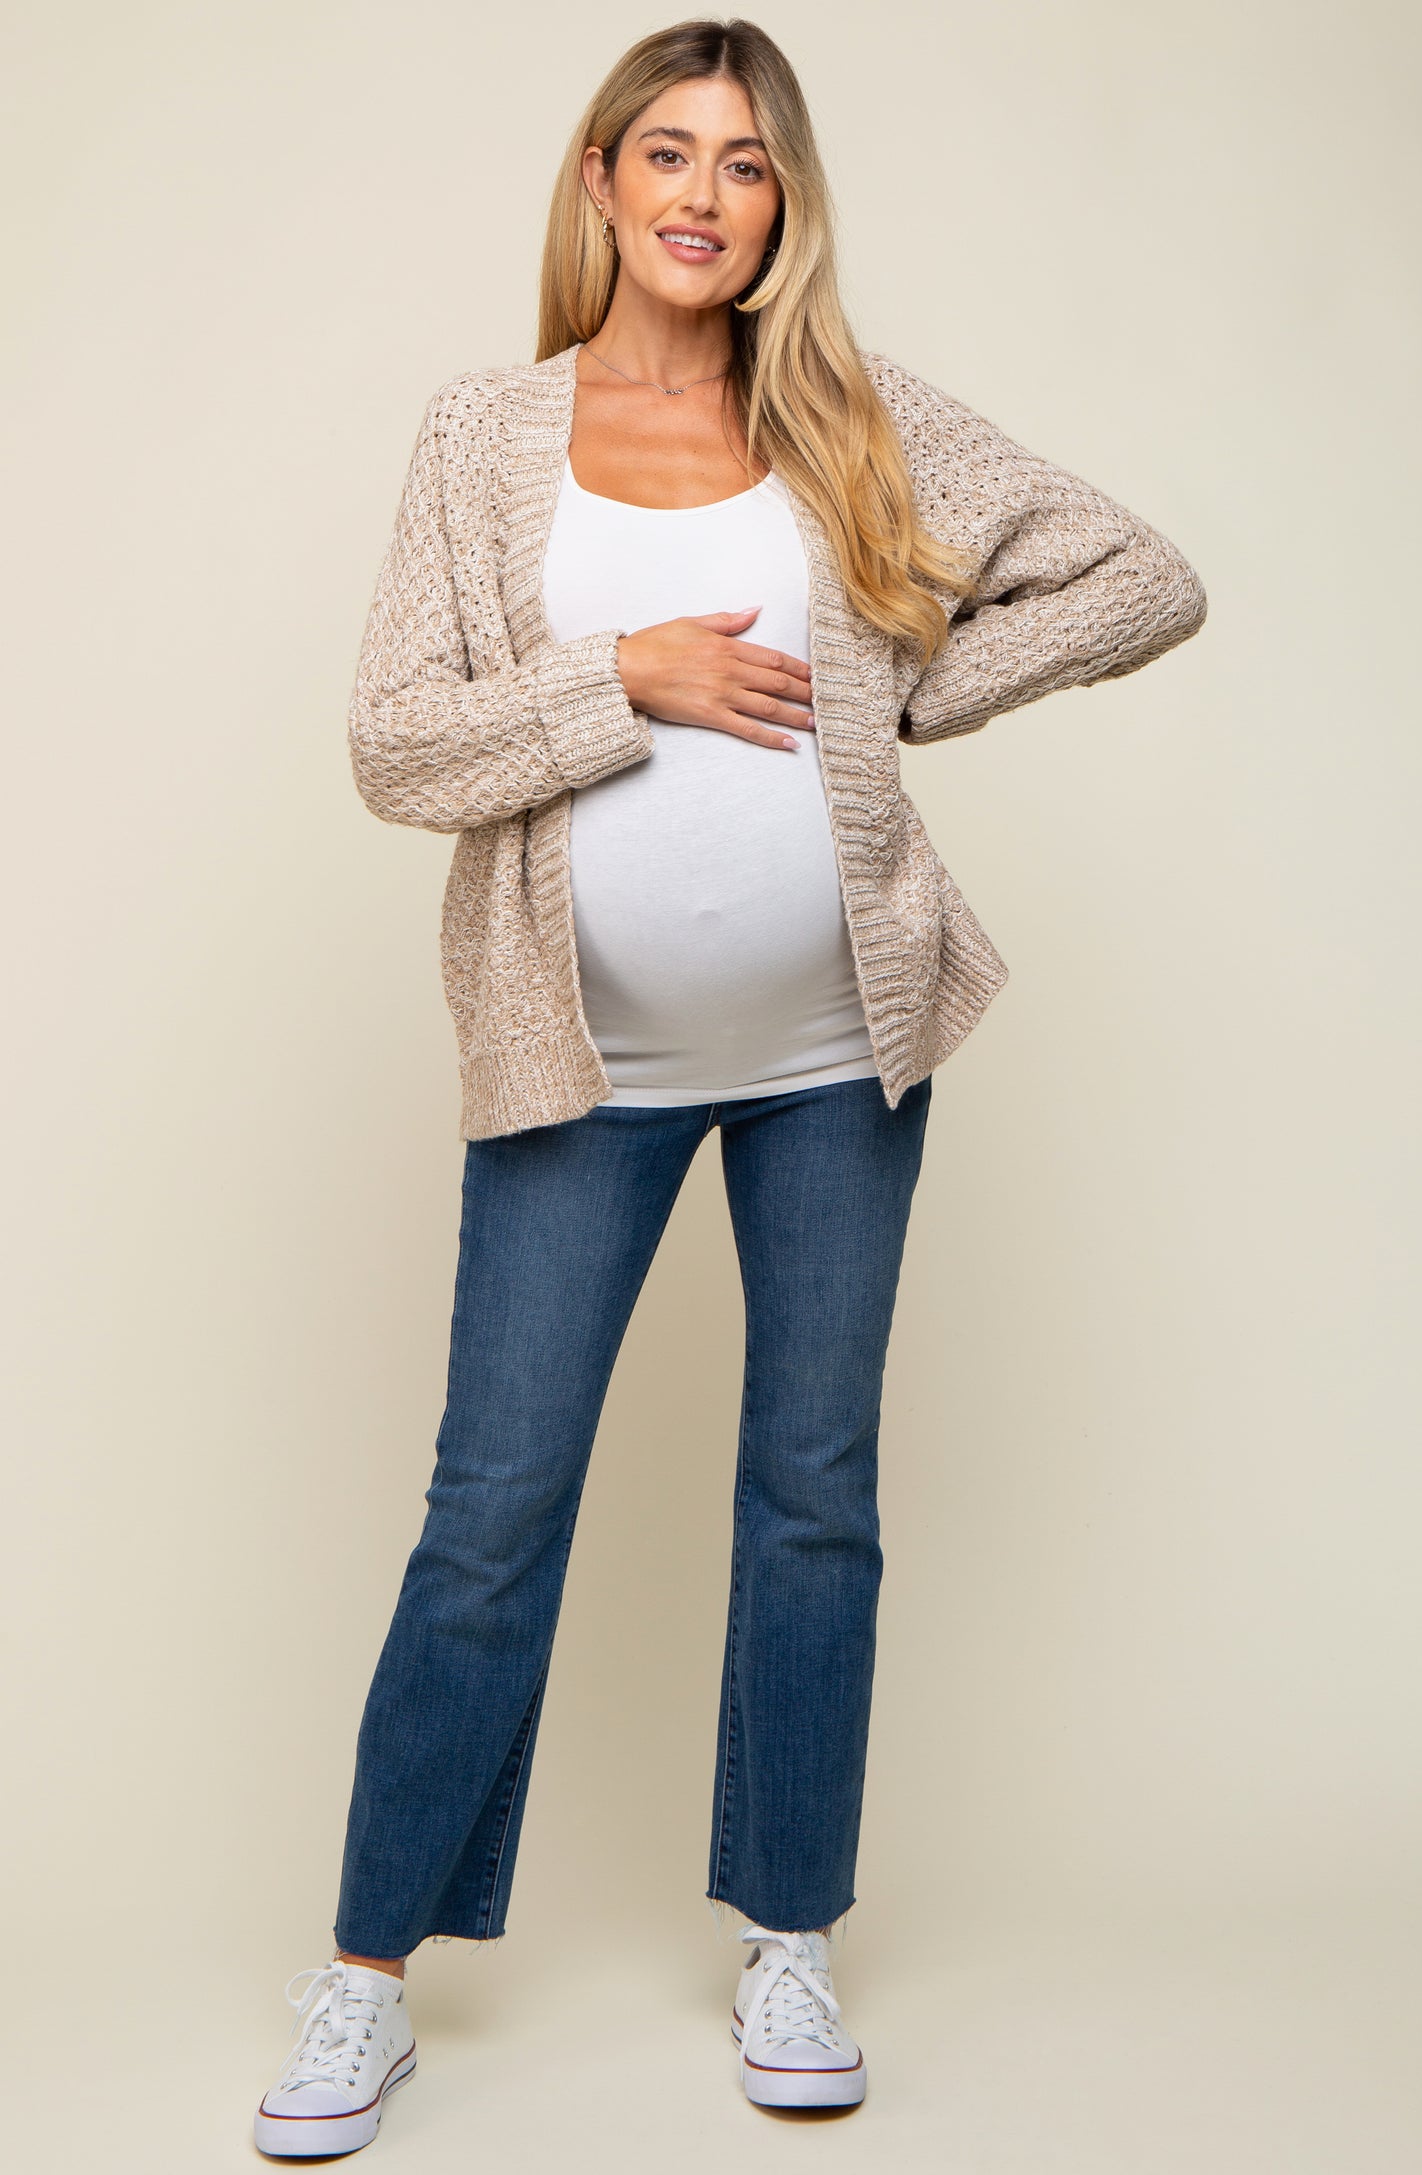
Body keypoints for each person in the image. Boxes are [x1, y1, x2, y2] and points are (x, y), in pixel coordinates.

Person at [252, 15, 1207, 2155]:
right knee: (490, 1511)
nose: (701, 191)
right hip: (575, 1060)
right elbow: (396, 743)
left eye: (746, 163)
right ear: (598, 185)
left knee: (813, 1495)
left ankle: (789, 1930)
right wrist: (630, 682)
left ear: (783, 208)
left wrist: (891, 694)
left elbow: (1141, 572)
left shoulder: (850, 418)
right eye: (663, 151)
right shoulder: (482, 433)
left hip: (834, 1054)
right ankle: (363, 1976)